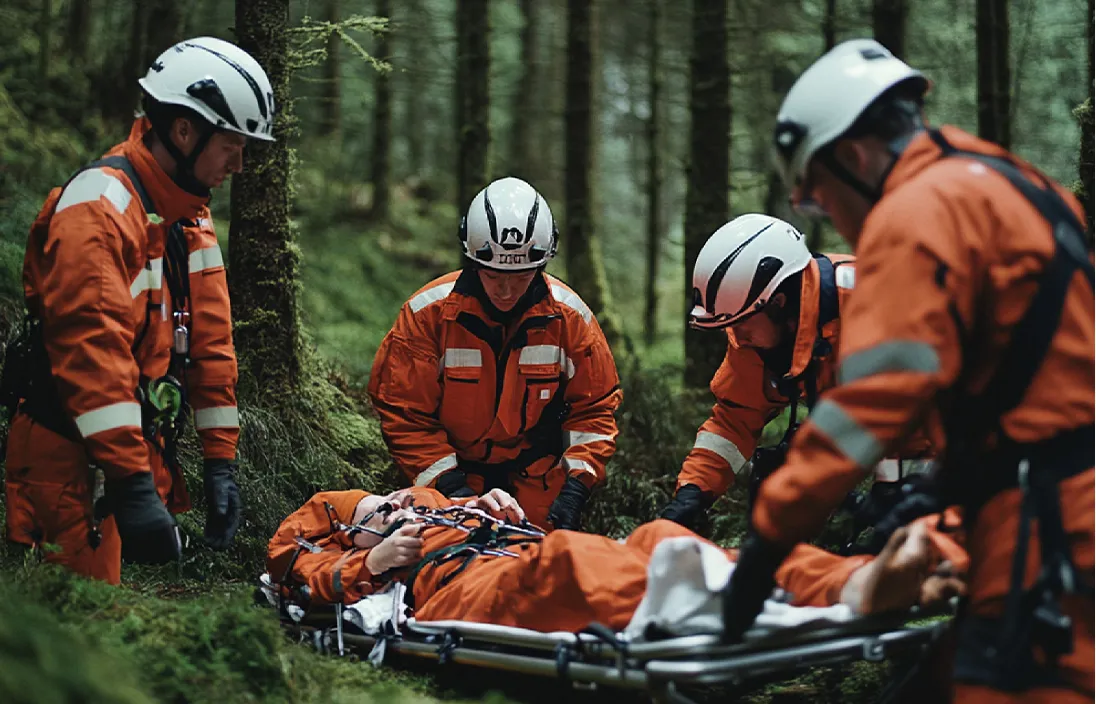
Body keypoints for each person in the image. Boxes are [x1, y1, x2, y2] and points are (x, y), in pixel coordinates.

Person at [721, 38, 1094, 703]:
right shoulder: (1013, 183)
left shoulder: (913, 213)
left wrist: (767, 542)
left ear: (853, 157)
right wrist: (946, 485)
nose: (831, 218)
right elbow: (1034, 376)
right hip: (1045, 505)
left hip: (1050, 525)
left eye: (819, 195)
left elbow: (868, 404)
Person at [2, 37, 273, 583]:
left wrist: (220, 463)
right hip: (65, 460)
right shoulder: (98, 211)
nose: (240, 165)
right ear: (184, 132)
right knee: (69, 617)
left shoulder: (189, 217)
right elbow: (92, 354)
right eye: (231, 146)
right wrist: (132, 483)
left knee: (100, 610)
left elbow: (211, 346)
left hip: (120, 454)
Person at [266, 486, 966, 633]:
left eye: (393, 501)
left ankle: (856, 579)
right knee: (570, 561)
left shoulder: (440, 502)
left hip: (520, 549)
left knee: (661, 536)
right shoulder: (357, 547)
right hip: (466, 588)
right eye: (376, 513)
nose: (394, 508)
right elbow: (291, 568)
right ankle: (725, 600)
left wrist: (494, 504)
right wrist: (371, 565)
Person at [367, 177, 621, 531]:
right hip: (450, 470)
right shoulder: (427, 317)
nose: (506, 290)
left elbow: (594, 410)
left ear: (541, 266)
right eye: (494, 275)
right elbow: (404, 414)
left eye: (520, 277)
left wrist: (577, 486)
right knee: (445, 545)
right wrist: (449, 485)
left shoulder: (570, 319)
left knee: (545, 549)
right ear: (474, 262)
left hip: (536, 473)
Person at [660, 213, 930, 530]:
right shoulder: (753, 331)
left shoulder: (872, 305)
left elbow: (922, 409)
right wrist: (692, 493)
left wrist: (893, 492)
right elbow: (734, 420)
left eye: (742, 324)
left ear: (778, 303)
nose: (737, 337)